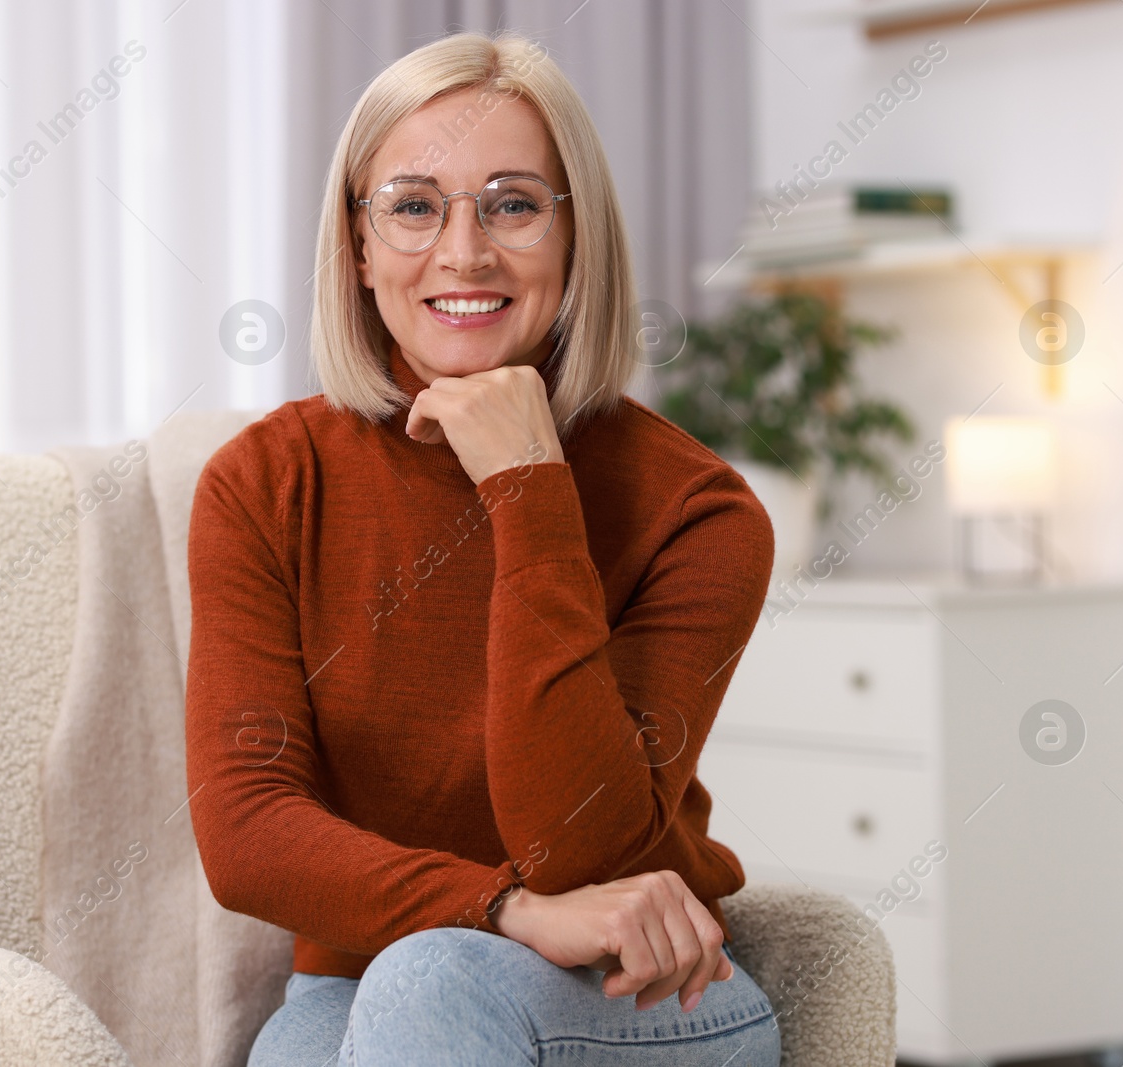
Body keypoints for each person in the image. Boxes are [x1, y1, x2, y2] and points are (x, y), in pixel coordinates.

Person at [185, 28, 780, 1066]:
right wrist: (498, 907)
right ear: (359, 245)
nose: (464, 251)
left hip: (637, 994)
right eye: (414, 205)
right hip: (368, 972)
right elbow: (245, 831)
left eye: (511, 203)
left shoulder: (699, 510)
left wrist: (526, 482)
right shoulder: (264, 481)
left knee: (429, 981)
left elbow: (578, 843)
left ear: (572, 237)